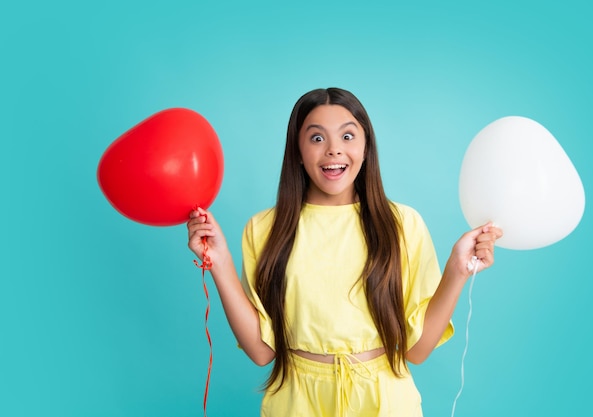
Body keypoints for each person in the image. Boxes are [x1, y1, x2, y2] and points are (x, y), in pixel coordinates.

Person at [187, 87, 502, 417]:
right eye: (317, 138)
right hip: (296, 401)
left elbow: (418, 350)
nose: (334, 149)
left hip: (384, 400)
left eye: (348, 136)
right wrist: (219, 261)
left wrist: (457, 269)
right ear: (297, 150)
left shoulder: (403, 224)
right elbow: (262, 351)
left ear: (366, 148)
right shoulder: (264, 228)